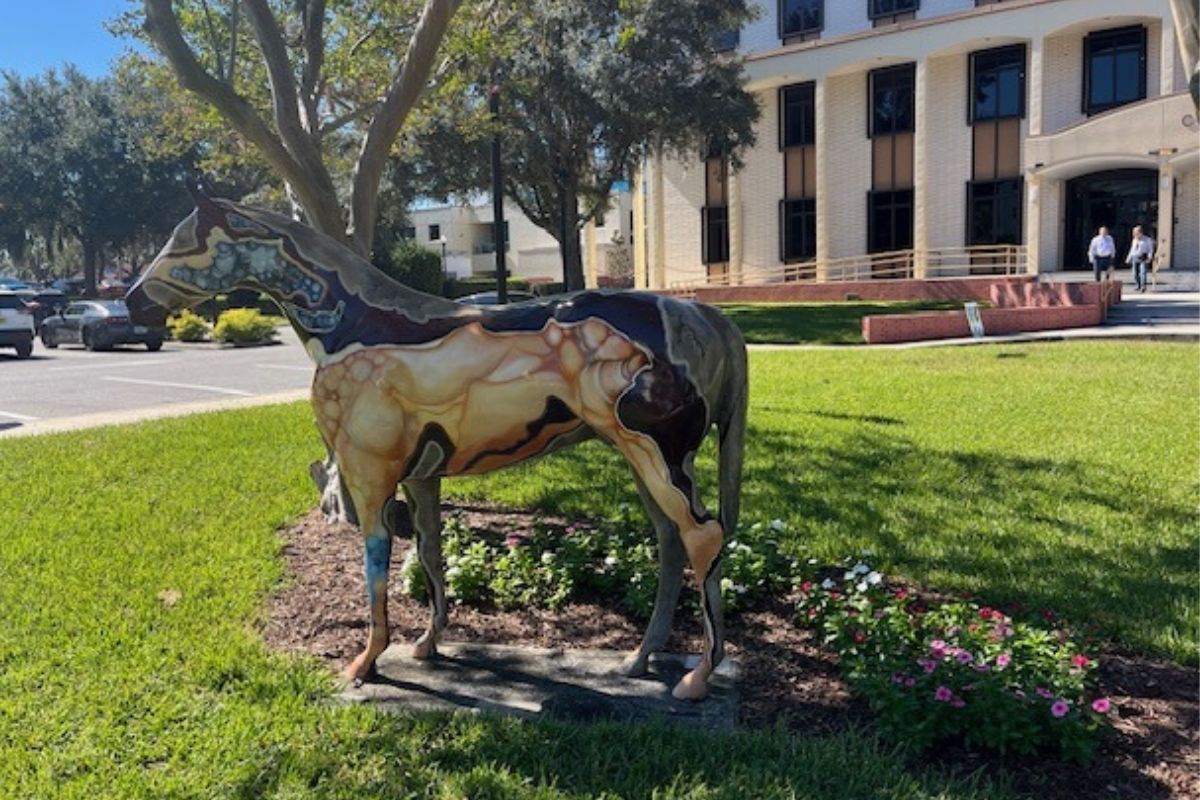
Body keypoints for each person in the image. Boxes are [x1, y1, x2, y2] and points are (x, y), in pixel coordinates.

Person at [1125, 225, 1155, 293]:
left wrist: (1149, 257)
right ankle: (1138, 285)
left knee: (1143, 273)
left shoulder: (1147, 239)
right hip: (1135, 257)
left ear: (1140, 232)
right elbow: (1132, 249)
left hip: (1143, 257)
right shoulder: (1134, 240)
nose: (1134, 234)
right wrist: (1128, 258)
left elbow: (1150, 249)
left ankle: (1143, 286)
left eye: (1136, 232)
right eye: (1134, 233)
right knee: (1134, 273)